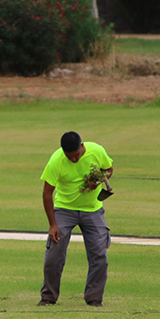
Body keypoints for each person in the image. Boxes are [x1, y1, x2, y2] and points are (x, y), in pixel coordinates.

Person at [39, 131, 113, 307]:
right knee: (54, 253)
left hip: (92, 209)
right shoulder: (56, 160)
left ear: (82, 147)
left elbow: (109, 169)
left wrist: (99, 179)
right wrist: (52, 224)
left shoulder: (96, 151)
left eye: (76, 155)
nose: (73, 160)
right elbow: (47, 193)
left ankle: (94, 298)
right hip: (64, 209)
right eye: (69, 156)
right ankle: (48, 297)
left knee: (99, 252)